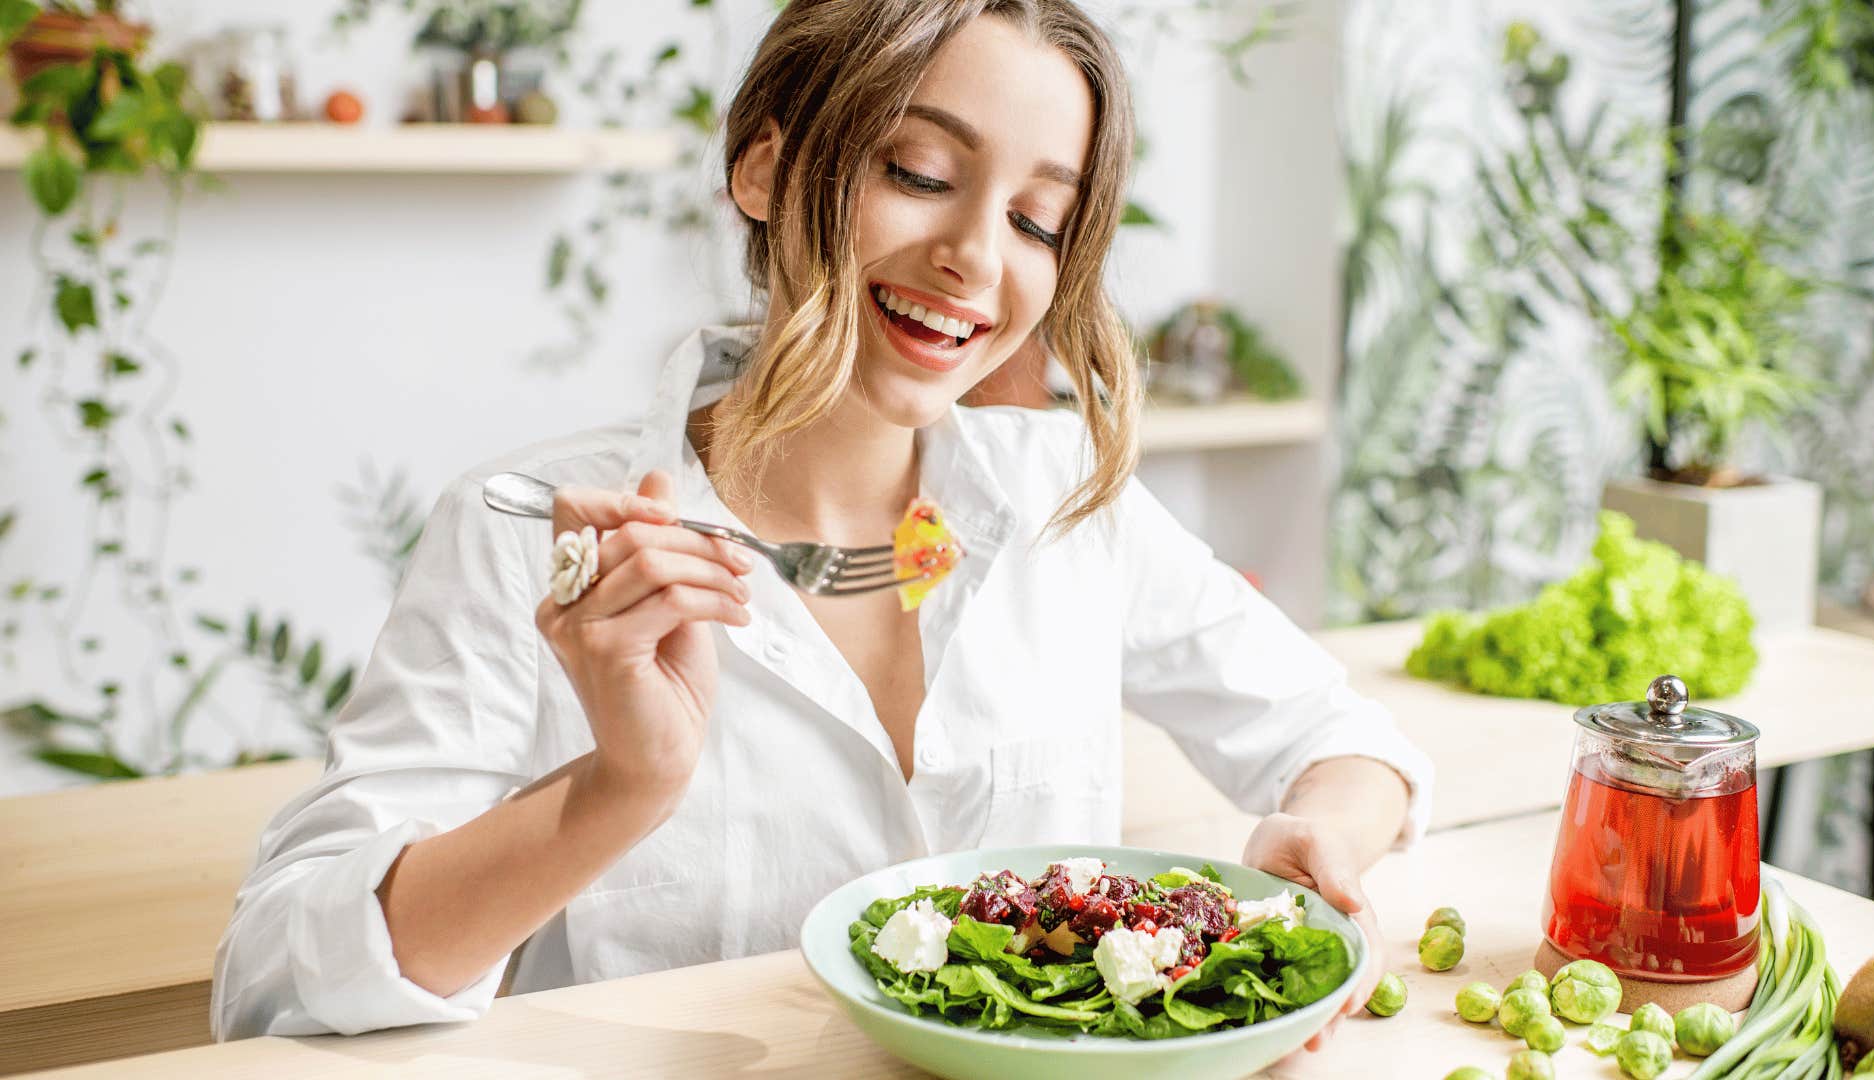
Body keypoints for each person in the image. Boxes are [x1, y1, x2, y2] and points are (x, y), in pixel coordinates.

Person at [212, 0, 1433, 1052]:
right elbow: (272, 989)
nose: (972, 259)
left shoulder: (1067, 496)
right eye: (918, 173)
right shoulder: (527, 529)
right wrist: (620, 787)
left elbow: (1344, 740)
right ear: (765, 169)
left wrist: (1314, 839)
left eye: (1036, 221)